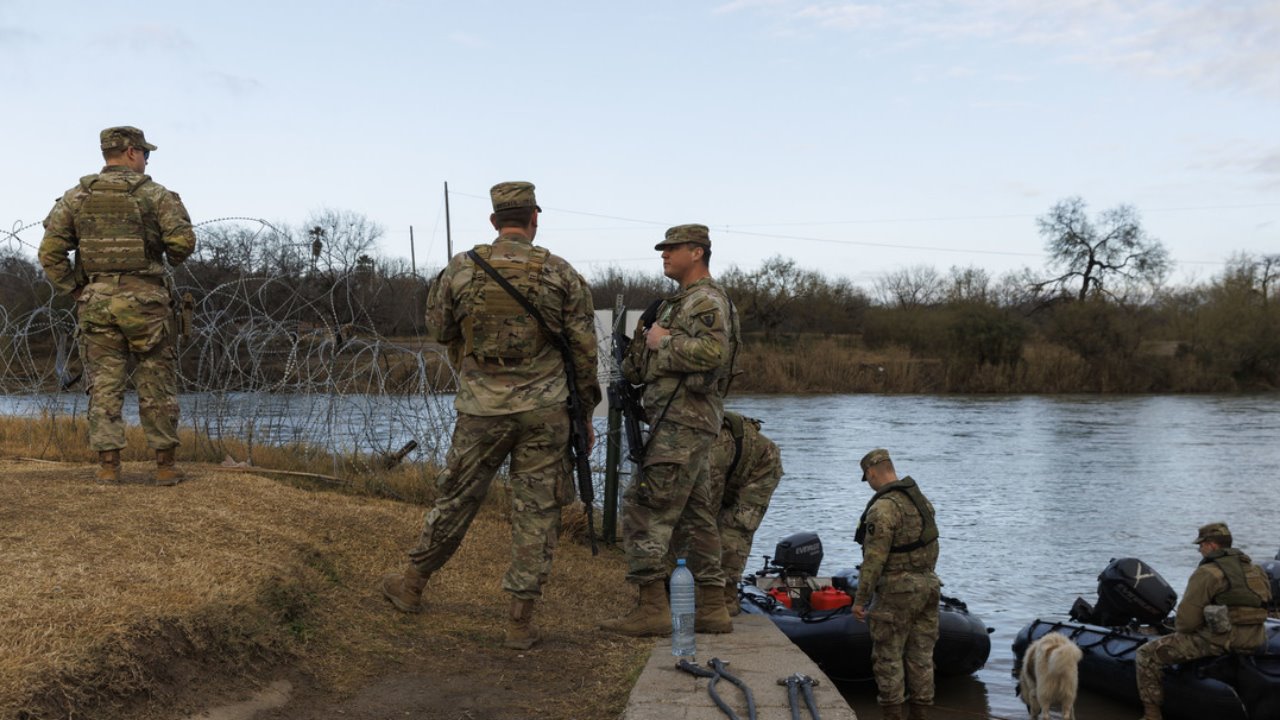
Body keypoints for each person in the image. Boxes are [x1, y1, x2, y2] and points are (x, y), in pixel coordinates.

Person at [380, 182, 600, 652]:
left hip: (482, 405)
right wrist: (584, 413)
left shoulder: (461, 269)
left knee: (456, 496)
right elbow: (584, 350)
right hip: (546, 408)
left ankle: (412, 585)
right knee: (537, 511)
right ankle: (519, 621)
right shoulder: (561, 273)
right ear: (535, 216)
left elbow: (439, 329)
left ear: (494, 220)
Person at [601, 223, 740, 637]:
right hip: (679, 423)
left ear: (697, 252)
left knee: (645, 508)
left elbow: (712, 355)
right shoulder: (674, 304)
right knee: (697, 517)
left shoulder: (704, 301)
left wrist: (663, 342)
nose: (664, 254)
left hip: (682, 424)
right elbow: (642, 367)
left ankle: (651, 610)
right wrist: (642, 342)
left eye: (672, 248)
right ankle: (713, 609)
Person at [38, 126, 196, 485]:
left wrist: (78, 290)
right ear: (130, 152)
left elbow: (50, 253)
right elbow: (182, 245)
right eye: (145, 153)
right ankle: (165, 467)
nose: (145, 160)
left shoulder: (76, 197)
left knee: (104, 385)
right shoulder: (156, 195)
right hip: (148, 305)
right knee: (156, 383)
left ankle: (109, 467)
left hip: (97, 304)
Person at [1134, 522, 1272, 720]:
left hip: (1221, 642)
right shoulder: (1255, 569)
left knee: (1146, 655)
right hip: (1257, 639)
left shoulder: (1208, 573)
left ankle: (1151, 715)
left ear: (1212, 545)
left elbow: (1186, 624)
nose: (1200, 549)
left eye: (1201, 545)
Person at [851, 448, 940, 720]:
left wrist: (860, 600)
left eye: (867, 479)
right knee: (921, 657)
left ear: (871, 472)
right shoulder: (921, 501)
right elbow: (931, 547)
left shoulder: (883, 508)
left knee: (888, 658)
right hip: (929, 586)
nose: (869, 485)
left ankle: (892, 716)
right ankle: (922, 714)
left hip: (896, 591)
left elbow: (874, 562)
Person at [668, 411, 783, 616]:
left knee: (734, 528)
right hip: (731, 464)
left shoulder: (709, 454)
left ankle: (726, 596)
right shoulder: (675, 443)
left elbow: (702, 520)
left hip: (761, 465)